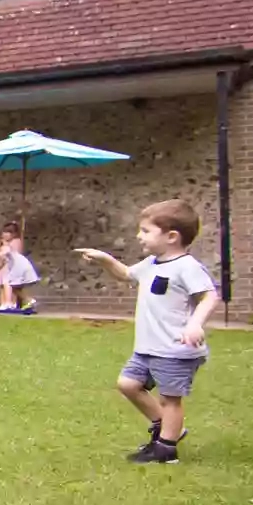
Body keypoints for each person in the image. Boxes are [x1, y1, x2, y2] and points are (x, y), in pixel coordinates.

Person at [77, 199, 219, 465]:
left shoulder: (186, 267)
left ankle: (166, 450)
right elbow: (126, 274)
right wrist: (105, 259)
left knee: (170, 400)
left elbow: (209, 296)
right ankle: (166, 427)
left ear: (171, 236)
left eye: (145, 231)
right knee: (128, 384)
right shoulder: (152, 263)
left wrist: (195, 323)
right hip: (148, 347)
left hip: (175, 349)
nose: (138, 236)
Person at [0, 225, 40, 311]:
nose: (5, 235)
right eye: (4, 232)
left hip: (19, 266)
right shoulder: (6, 244)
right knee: (14, 287)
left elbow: (5, 252)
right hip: (17, 267)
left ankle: (8, 303)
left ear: (13, 234)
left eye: (8, 233)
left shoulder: (7, 245)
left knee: (7, 282)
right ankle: (30, 300)